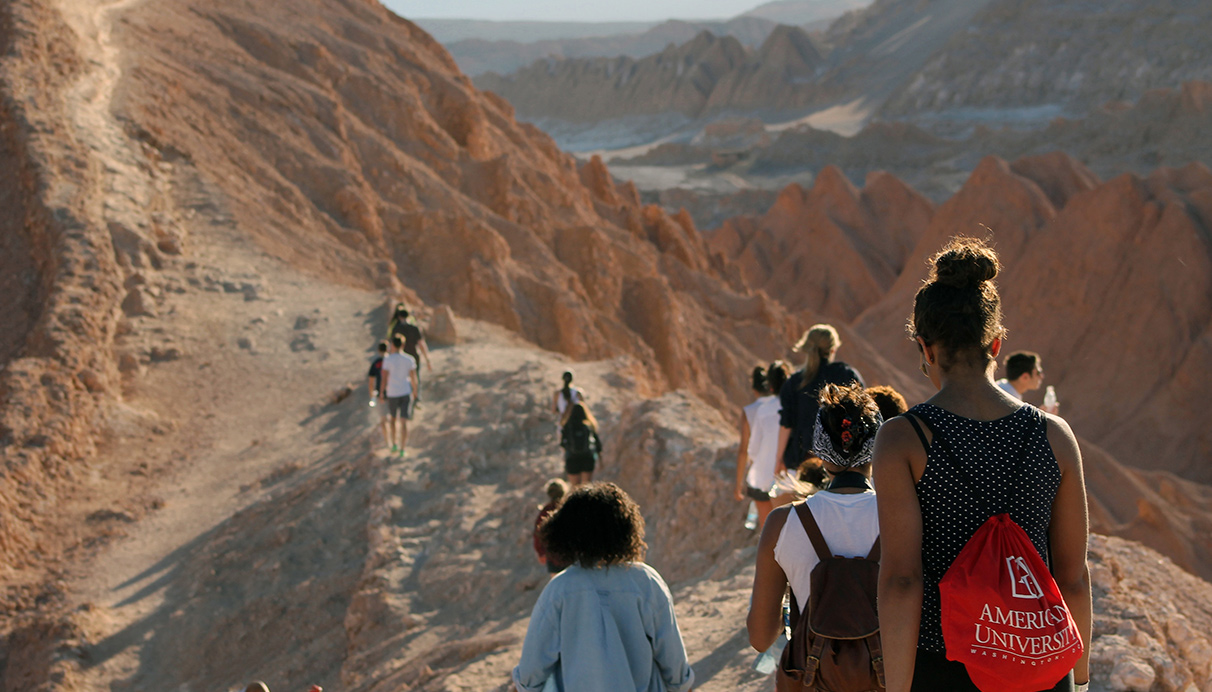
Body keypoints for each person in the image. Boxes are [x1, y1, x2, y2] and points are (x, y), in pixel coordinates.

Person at [872, 237, 1091, 691]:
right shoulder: (1054, 435)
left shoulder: (903, 440)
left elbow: (901, 580)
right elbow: (1073, 577)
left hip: (945, 667)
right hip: (1039, 667)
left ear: (926, 349)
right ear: (995, 344)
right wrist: (1082, 681)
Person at [513, 482, 695, 692]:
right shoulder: (646, 581)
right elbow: (675, 663)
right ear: (625, 527)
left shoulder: (560, 589)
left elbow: (531, 672)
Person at [747, 383, 883, 654]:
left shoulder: (781, 523)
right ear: (877, 445)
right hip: (890, 676)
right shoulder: (903, 516)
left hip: (816, 675)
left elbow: (760, 638)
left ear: (819, 450)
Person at [775, 324, 865, 478]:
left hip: (803, 460)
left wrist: (779, 459)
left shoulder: (794, 382)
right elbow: (863, 413)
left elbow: (786, 424)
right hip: (841, 461)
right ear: (833, 349)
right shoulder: (846, 375)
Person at [735, 362, 790, 529]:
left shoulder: (761, 411)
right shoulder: (794, 407)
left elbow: (749, 449)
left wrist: (740, 482)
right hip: (789, 477)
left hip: (763, 475)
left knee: (768, 529)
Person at [380, 334, 418, 458]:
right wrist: (415, 391)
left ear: (392, 345)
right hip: (406, 391)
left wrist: (381, 392)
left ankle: (394, 444)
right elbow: (414, 377)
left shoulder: (388, 359)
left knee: (393, 420)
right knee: (404, 421)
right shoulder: (409, 359)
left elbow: (384, 378)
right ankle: (403, 448)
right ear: (403, 344)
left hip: (392, 393)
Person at [388, 304, 432, 402]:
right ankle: (416, 397)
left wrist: (389, 358)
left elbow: (391, 346)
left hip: (400, 358)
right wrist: (427, 359)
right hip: (414, 356)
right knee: (416, 377)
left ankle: (406, 398)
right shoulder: (415, 328)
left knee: (403, 378)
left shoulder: (396, 329)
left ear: (399, 317)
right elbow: (422, 344)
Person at [559, 403, 602, 486]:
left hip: (572, 458)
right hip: (587, 458)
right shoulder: (589, 425)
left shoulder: (567, 426)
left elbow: (562, 443)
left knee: (575, 488)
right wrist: (600, 459)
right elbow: (597, 443)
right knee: (586, 486)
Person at [533, 478, 569, 573]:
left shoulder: (546, 511)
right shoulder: (569, 509)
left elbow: (538, 533)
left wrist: (541, 552)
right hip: (570, 555)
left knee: (556, 583)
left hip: (552, 555)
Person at [367, 340, 390, 448]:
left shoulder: (376, 363)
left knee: (383, 419)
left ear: (378, 350)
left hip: (381, 395)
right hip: (393, 392)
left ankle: (387, 440)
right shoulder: (391, 360)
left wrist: (372, 395)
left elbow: (371, 381)